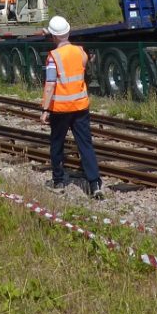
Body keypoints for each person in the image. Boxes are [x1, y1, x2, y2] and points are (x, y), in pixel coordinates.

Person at [40, 15, 104, 199]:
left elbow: (51, 83)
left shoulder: (53, 57)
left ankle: (58, 182)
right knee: (85, 145)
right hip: (81, 106)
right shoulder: (80, 52)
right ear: (68, 32)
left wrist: (45, 109)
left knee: (57, 144)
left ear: (53, 36)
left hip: (60, 109)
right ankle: (94, 184)